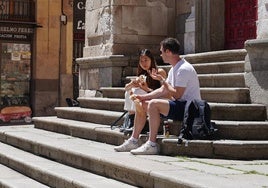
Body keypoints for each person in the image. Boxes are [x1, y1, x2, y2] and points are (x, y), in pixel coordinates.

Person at [114, 37, 201, 155]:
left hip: (188, 108)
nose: (160, 54)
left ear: (168, 52)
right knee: (141, 104)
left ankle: (152, 143)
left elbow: (177, 94)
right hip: (180, 105)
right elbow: (162, 90)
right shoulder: (174, 68)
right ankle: (134, 140)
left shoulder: (183, 69)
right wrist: (144, 97)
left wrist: (163, 81)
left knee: (154, 104)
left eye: (161, 51)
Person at [121, 49, 167, 132]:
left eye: (146, 60)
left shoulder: (159, 72)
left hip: (158, 99)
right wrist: (132, 84)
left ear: (151, 60)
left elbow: (164, 92)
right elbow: (126, 88)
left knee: (137, 92)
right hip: (146, 97)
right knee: (130, 92)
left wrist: (146, 89)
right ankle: (132, 120)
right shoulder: (142, 74)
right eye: (141, 61)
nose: (143, 63)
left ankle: (143, 122)